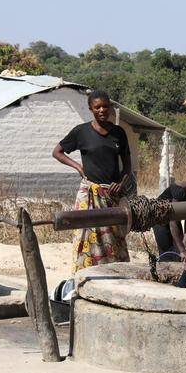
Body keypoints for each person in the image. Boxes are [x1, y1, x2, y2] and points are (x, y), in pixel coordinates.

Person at [53, 90, 132, 273]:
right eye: (98, 107)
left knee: (113, 237)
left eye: (105, 106)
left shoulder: (119, 133)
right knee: (86, 234)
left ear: (111, 107)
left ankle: (114, 272)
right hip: (88, 194)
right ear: (91, 109)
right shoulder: (81, 132)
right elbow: (57, 152)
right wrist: (78, 167)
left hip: (111, 195)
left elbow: (127, 166)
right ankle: (85, 273)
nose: (102, 110)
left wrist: (121, 183)